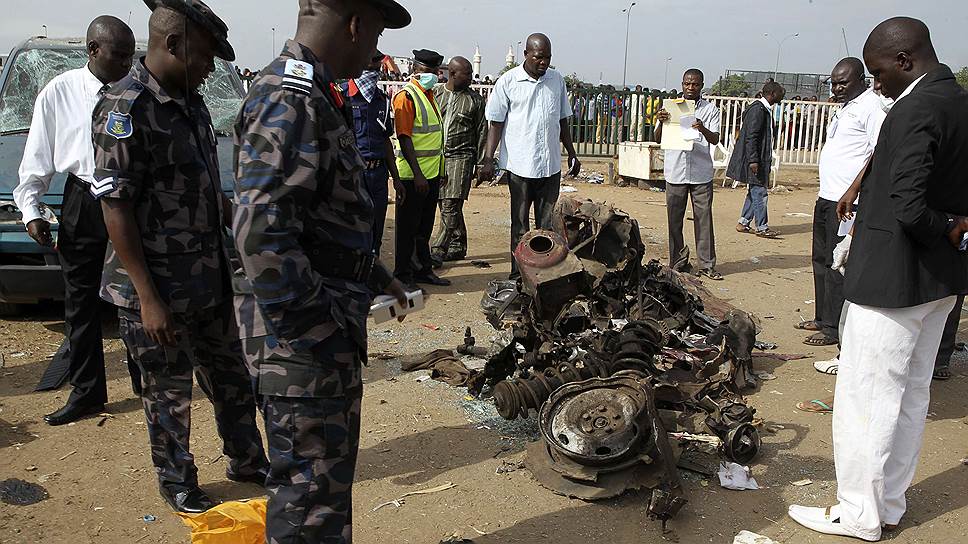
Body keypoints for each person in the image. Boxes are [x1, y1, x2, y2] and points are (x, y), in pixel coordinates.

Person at [233, 0, 411, 541]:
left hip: (309, 341)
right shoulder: (292, 99)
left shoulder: (312, 94)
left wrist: (376, 276)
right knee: (310, 503)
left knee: (322, 499)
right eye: (376, 32)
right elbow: (259, 232)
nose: (376, 49)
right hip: (301, 350)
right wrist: (319, 332)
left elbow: (316, 223)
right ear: (355, 24)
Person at [788, 17, 968, 541]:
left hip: (893, 284)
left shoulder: (913, 110)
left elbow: (908, 206)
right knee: (911, 396)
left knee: (866, 400)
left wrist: (950, 227)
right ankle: (888, 503)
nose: (875, 83)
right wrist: (958, 232)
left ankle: (858, 513)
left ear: (905, 60)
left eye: (877, 71)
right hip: (940, 284)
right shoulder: (958, 102)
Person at [91, 0, 269, 514]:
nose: (212, 67)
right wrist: (148, 298)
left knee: (232, 378)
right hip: (155, 289)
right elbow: (116, 209)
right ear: (172, 45)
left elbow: (204, 188)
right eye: (207, 55)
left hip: (206, 279)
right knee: (168, 396)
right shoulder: (125, 109)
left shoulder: (189, 102)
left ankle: (247, 459)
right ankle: (177, 480)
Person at [13, 16, 137, 426]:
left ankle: (146, 381)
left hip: (131, 199)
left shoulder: (140, 92)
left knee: (136, 296)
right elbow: (38, 155)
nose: (125, 64)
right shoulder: (59, 92)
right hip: (82, 200)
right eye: (117, 55)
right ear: (92, 50)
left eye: (129, 55)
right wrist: (31, 209)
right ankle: (87, 393)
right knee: (80, 302)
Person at [798, 58, 886, 350]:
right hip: (827, 197)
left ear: (861, 79)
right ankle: (822, 317)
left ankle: (834, 327)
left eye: (843, 83)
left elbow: (878, 153)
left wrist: (853, 189)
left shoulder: (872, 108)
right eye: (834, 83)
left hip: (847, 203)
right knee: (820, 259)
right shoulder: (845, 108)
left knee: (837, 264)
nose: (836, 88)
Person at [479, 33, 580, 278]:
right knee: (520, 225)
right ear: (525, 55)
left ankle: (543, 276)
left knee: (547, 227)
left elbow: (563, 121)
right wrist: (488, 158)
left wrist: (572, 153)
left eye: (547, 58)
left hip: (550, 167)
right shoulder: (508, 81)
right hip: (519, 166)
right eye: (538, 57)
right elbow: (496, 123)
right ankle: (519, 274)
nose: (543, 62)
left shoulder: (556, 81)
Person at [654, 69, 722, 280]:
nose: (691, 88)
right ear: (682, 84)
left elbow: (715, 139)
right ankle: (677, 261)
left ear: (702, 85)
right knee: (674, 220)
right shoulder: (670, 107)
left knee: (703, 219)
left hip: (701, 173)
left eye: (695, 84)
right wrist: (660, 121)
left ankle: (707, 265)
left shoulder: (710, 110)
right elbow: (657, 138)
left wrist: (702, 128)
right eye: (687, 84)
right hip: (675, 172)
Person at [392, 48, 450, 288]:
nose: (434, 75)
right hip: (412, 176)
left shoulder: (429, 95)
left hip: (432, 173)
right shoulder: (406, 97)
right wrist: (417, 175)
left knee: (424, 227)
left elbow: (434, 139)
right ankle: (403, 275)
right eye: (429, 71)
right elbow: (404, 138)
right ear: (416, 70)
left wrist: (441, 170)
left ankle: (422, 270)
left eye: (436, 71)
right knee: (407, 228)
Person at [343, 50, 401, 257]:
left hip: (378, 174)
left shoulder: (382, 100)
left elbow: (386, 140)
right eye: (370, 67)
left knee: (377, 225)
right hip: (353, 175)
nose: (374, 71)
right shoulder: (343, 97)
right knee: (354, 226)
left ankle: (372, 268)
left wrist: (396, 178)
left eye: (378, 68)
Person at [430, 56, 487, 264]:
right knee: (442, 201)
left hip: (461, 157)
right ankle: (457, 243)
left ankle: (438, 249)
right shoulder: (435, 94)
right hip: (436, 157)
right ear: (453, 74)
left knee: (451, 204)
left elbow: (482, 133)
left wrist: (482, 163)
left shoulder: (475, 100)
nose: (472, 77)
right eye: (468, 73)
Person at [728, 81, 785, 238]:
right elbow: (752, 137)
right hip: (755, 159)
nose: (783, 94)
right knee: (760, 192)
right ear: (772, 94)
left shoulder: (762, 109)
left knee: (754, 191)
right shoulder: (758, 110)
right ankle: (762, 227)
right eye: (781, 92)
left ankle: (744, 222)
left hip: (758, 158)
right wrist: (753, 160)